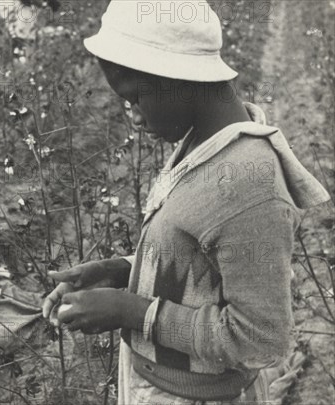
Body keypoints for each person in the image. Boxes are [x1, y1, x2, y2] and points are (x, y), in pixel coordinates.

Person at [42, 1, 330, 404]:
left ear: (174, 77)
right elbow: (204, 262)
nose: (134, 119)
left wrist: (131, 311)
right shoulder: (206, 145)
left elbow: (260, 340)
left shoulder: (247, 183)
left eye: (134, 100)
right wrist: (123, 272)